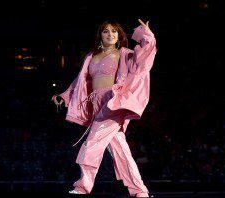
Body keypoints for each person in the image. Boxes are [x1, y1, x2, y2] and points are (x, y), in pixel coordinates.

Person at [51, 18, 157, 197]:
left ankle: (82, 187)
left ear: (119, 35)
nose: (111, 34)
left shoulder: (124, 53)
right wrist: (65, 96)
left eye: (114, 31)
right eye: (106, 31)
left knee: (92, 143)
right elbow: (80, 81)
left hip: (113, 103)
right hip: (96, 104)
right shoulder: (90, 56)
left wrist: (147, 35)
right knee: (120, 150)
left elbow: (144, 58)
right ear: (100, 35)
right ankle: (140, 191)